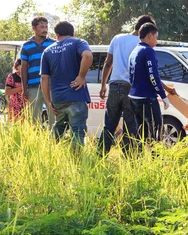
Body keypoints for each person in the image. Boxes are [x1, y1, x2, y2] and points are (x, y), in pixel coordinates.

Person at [98, 15, 156, 153]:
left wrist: (103, 85)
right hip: (132, 89)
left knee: (109, 124)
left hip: (114, 85)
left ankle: (100, 155)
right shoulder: (143, 44)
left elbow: (108, 63)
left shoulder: (117, 38)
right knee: (131, 126)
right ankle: (130, 161)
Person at [40, 21, 93, 146]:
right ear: (73, 34)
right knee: (77, 131)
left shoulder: (47, 51)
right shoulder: (78, 42)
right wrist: (81, 76)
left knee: (58, 128)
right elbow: (87, 55)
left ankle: (50, 155)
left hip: (58, 99)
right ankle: (77, 161)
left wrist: (48, 102)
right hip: (76, 96)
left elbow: (44, 78)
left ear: (57, 35)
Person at [128, 22, 172, 142]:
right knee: (156, 132)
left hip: (134, 96)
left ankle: (139, 158)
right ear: (150, 36)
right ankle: (155, 159)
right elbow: (153, 76)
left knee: (140, 132)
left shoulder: (134, 51)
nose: (156, 41)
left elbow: (131, 76)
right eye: (156, 37)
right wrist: (163, 95)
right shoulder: (148, 51)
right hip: (146, 98)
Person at [20, 16, 56, 125]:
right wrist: (24, 87)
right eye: (42, 27)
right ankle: (36, 140)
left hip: (51, 85)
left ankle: (54, 139)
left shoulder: (53, 43)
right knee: (34, 117)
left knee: (54, 114)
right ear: (34, 28)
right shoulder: (26, 46)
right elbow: (24, 67)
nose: (45, 29)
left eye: (46, 27)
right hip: (33, 86)